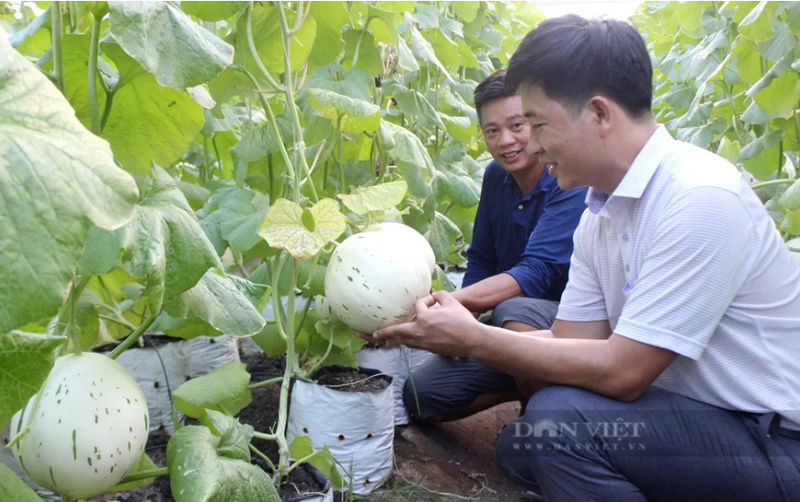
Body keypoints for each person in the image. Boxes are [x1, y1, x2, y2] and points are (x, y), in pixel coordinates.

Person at [365, 15, 800, 502]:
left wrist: (475, 337)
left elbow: (623, 372)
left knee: (558, 425)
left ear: (598, 113)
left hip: (771, 440)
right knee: (524, 447)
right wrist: (441, 327)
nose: (528, 142)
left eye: (536, 123)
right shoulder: (602, 210)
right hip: (689, 415)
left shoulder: (699, 197)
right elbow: (569, 342)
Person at [404, 70, 588, 423]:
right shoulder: (495, 176)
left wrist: (449, 304)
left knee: (514, 311)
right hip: (508, 330)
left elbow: (536, 272)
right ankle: (526, 384)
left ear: (536, 123)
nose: (505, 141)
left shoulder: (569, 178)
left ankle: (544, 422)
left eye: (516, 125)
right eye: (492, 130)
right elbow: (482, 259)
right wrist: (463, 320)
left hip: (569, 326)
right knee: (422, 397)